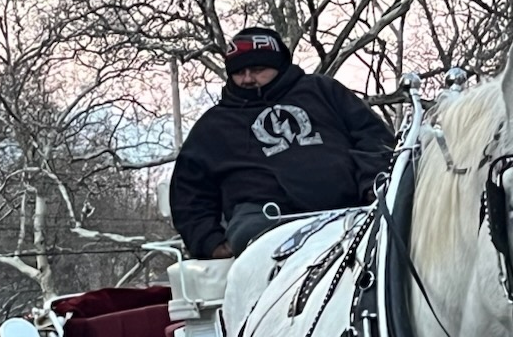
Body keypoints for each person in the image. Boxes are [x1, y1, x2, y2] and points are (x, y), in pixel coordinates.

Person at [169, 26, 396, 260]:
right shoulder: (214, 126)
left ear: (278, 65)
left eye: (257, 69)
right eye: (239, 72)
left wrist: (373, 184)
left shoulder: (322, 91)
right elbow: (189, 193)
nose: (247, 78)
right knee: (252, 238)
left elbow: (373, 137)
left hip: (352, 211)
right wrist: (210, 242)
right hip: (263, 226)